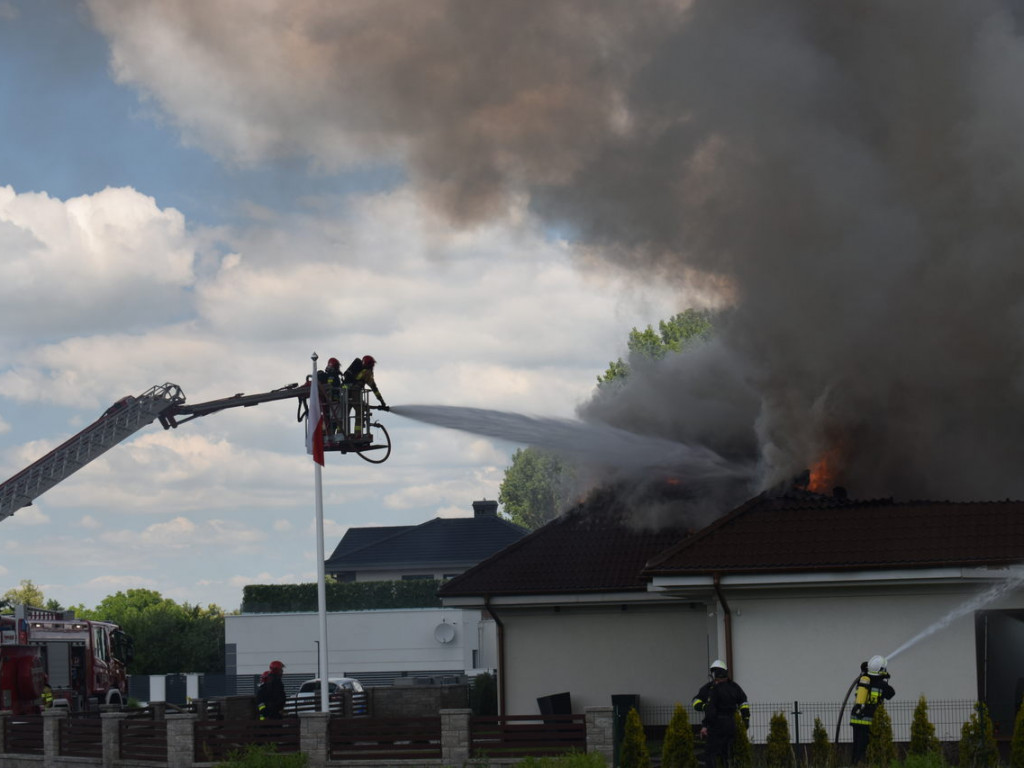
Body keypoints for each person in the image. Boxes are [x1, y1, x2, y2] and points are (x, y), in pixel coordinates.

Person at [692, 659, 750, 768]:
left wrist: (705, 725)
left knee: (710, 754)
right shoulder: (734, 687)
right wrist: (746, 719)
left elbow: (708, 710)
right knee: (726, 754)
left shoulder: (712, 689)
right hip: (731, 724)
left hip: (716, 725)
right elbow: (744, 702)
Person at [850, 655, 895, 764]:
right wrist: (885, 677)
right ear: (881, 669)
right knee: (869, 748)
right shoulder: (882, 685)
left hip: (856, 717)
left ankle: (854, 764)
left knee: (857, 746)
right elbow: (891, 693)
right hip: (869, 720)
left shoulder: (863, 680)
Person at [344, 355, 387, 440]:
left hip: (345, 393)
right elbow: (374, 387)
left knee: (344, 413)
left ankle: (342, 433)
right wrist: (382, 401)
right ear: (370, 364)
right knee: (360, 411)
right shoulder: (367, 372)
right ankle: (358, 434)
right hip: (355, 392)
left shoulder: (357, 371)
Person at [316, 357, 344, 433]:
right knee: (336, 419)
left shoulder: (326, 376)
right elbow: (337, 386)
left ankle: (327, 433)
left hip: (327, 401)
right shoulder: (335, 376)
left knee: (328, 419)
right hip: (334, 401)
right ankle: (335, 433)